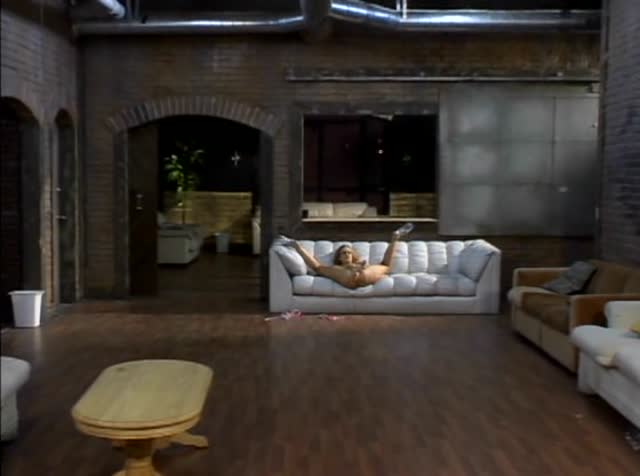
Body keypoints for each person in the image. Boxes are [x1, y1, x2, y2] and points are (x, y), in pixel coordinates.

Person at [283, 223, 414, 289]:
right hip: (346, 275)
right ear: (339, 258)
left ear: (353, 256)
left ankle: (395, 237)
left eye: (349, 253)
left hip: (363, 274)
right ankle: (354, 270)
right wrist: (298, 247)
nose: (346, 254)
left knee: (385, 266)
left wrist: (360, 267)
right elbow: (316, 266)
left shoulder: (361, 264)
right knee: (321, 269)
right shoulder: (335, 268)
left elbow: (385, 265)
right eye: (343, 253)